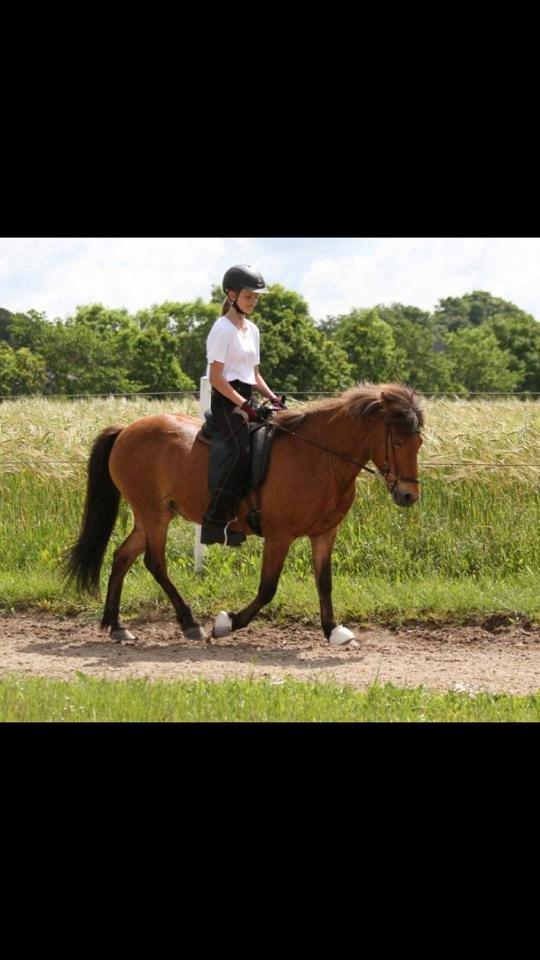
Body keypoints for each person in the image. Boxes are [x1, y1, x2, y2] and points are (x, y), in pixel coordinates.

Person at [200, 264, 286, 546]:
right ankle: (216, 520)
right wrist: (245, 406)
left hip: (248, 396)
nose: (254, 302)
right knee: (239, 449)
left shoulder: (252, 330)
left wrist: (272, 398)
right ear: (232, 294)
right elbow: (216, 378)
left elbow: (255, 374)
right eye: (249, 297)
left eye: (257, 298)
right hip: (227, 401)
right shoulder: (222, 328)